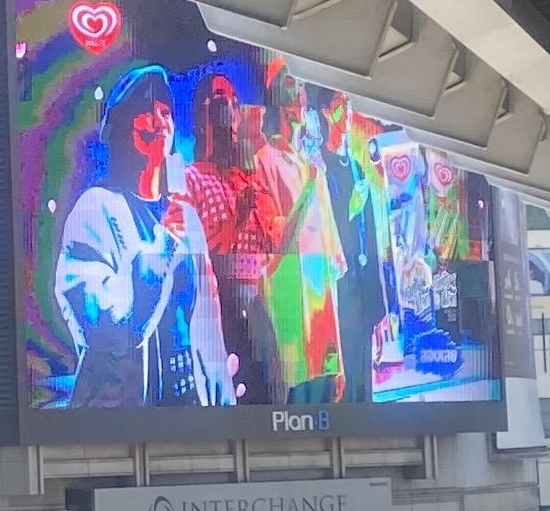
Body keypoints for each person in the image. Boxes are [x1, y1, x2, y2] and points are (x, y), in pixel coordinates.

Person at [51, 66, 233, 409]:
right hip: (124, 420)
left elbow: (208, 327)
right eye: (146, 111)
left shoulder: (186, 218)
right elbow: (107, 327)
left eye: (165, 112)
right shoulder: (95, 208)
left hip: (191, 414)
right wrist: (163, 245)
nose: (159, 121)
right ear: (121, 126)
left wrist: (223, 404)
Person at [178, 69, 281, 403]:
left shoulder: (248, 179)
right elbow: (197, 253)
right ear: (202, 116)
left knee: (271, 397)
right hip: (218, 313)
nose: (230, 113)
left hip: (257, 305)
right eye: (220, 102)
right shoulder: (191, 179)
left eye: (235, 104)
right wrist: (237, 217)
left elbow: (273, 245)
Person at [254, 62, 348, 406]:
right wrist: (308, 190)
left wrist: (340, 361)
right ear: (277, 95)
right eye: (293, 85)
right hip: (290, 338)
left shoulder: (313, 169)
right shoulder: (263, 160)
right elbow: (274, 240)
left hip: (323, 342)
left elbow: (331, 270)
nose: (302, 96)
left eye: (303, 87)